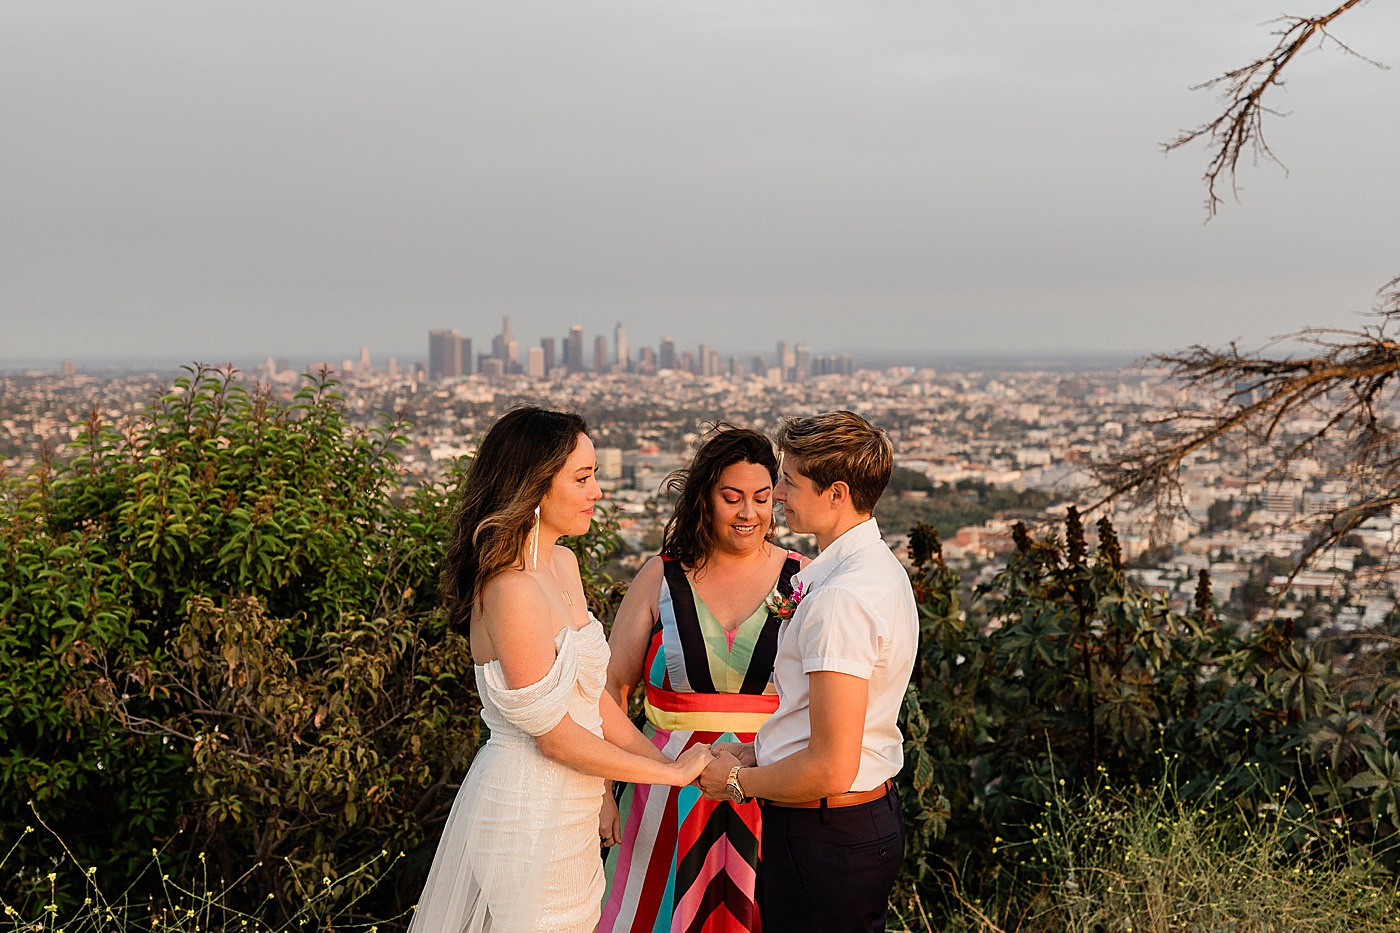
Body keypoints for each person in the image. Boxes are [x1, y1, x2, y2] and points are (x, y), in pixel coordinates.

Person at [410, 407, 713, 933]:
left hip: (572, 812)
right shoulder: (510, 587)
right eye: (583, 477)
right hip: (525, 813)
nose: (597, 491)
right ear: (535, 485)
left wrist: (681, 764)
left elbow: (592, 701)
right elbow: (553, 737)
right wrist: (667, 775)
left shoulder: (564, 565)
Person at [698, 411, 917, 933]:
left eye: (790, 481)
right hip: (851, 821)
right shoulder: (876, 570)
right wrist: (757, 751)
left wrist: (734, 780)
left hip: (825, 829)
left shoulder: (842, 597)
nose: (776, 493)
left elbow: (831, 766)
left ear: (836, 493)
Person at [598, 426, 806, 933]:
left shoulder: (805, 579)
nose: (748, 513)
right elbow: (608, 690)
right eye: (731, 497)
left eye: (761, 498)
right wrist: (603, 790)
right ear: (703, 499)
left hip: (766, 788)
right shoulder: (659, 575)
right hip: (662, 789)